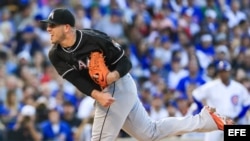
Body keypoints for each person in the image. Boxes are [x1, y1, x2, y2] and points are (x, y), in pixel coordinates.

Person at [40, 8, 233, 141]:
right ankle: (206, 120)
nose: (48, 29)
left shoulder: (94, 39)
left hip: (119, 85)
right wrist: (97, 94)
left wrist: (112, 76)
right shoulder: (55, 54)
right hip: (104, 93)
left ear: (66, 27)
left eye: (52, 25)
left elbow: (126, 62)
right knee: (149, 133)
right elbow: (76, 79)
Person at [192, 60, 250, 141]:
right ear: (218, 73)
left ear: (229, 72)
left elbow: (247, 103)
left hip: (232, 121)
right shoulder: (211, 86)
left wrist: (238, 117)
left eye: (225, 71)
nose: (223, 74)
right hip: (215, 122)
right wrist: (204, 110)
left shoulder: (238, 87)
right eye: (221, 71)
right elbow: (195, 95)